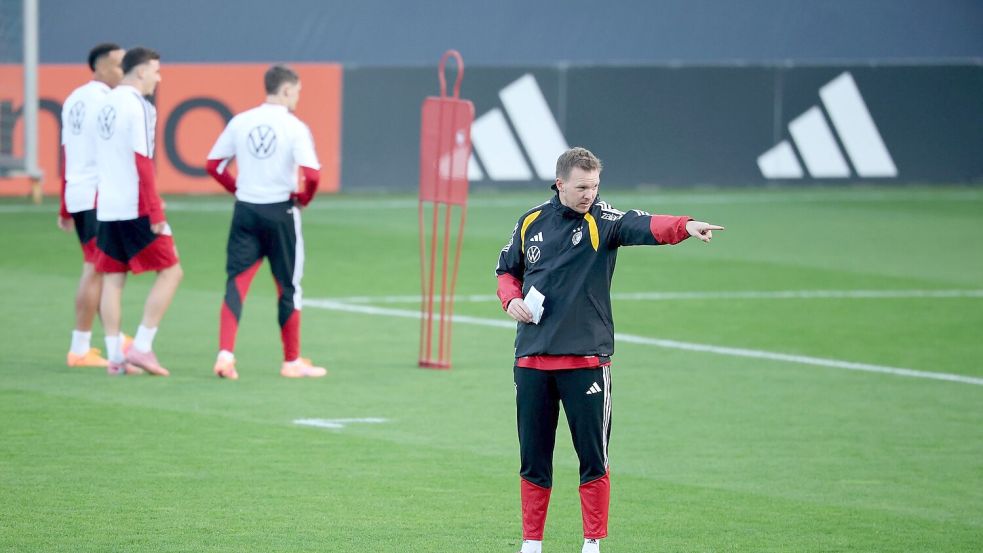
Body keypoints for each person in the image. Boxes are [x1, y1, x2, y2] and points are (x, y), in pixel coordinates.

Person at [495, 147, 724, 553]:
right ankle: (531, 543)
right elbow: (507, 271)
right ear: (560, 184)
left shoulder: (603, 220)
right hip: (531, 359)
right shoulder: (531, 221)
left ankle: (592, 542)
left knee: (593, 457)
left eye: (595, 186)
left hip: (585, 360)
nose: (590, 195)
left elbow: (643, 225)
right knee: (533, 458)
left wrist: (686, 226)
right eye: (582, 187)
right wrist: (510, 299)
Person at [204, 64, 326, 379]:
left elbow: (214, 165)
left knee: (237, 282)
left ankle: (225, 355)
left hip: (246, 210)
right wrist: (304, 199)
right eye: (297, 92)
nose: (298, 98)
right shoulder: (294, 127)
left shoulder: (241, 121)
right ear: (286, 90)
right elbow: (312, 175)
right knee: (288, 287)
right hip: (281, 213)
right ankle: (291, 361)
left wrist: (237, 189)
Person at [93, 47, 183, 376]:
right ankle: (142, 347)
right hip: (135, 206)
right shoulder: (139, 106)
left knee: (113, 279)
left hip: (108, 205)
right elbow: (143, 162)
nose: (159, 78)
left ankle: (115, 358)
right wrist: (155, 209)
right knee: (172, 271)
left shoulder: (105, 104)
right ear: (142, 71)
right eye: (156, 71)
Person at [58, 42, 125, 368]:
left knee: (99, 266)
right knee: (97, 268)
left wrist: (64, 204)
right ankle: (80, 348)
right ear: (100, 67)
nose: (124, 71)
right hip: (98, 193)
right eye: (119, 65)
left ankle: (112, 337)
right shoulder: (108, 103)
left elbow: (68, 152)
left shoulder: (74, 99)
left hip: (79, 191)